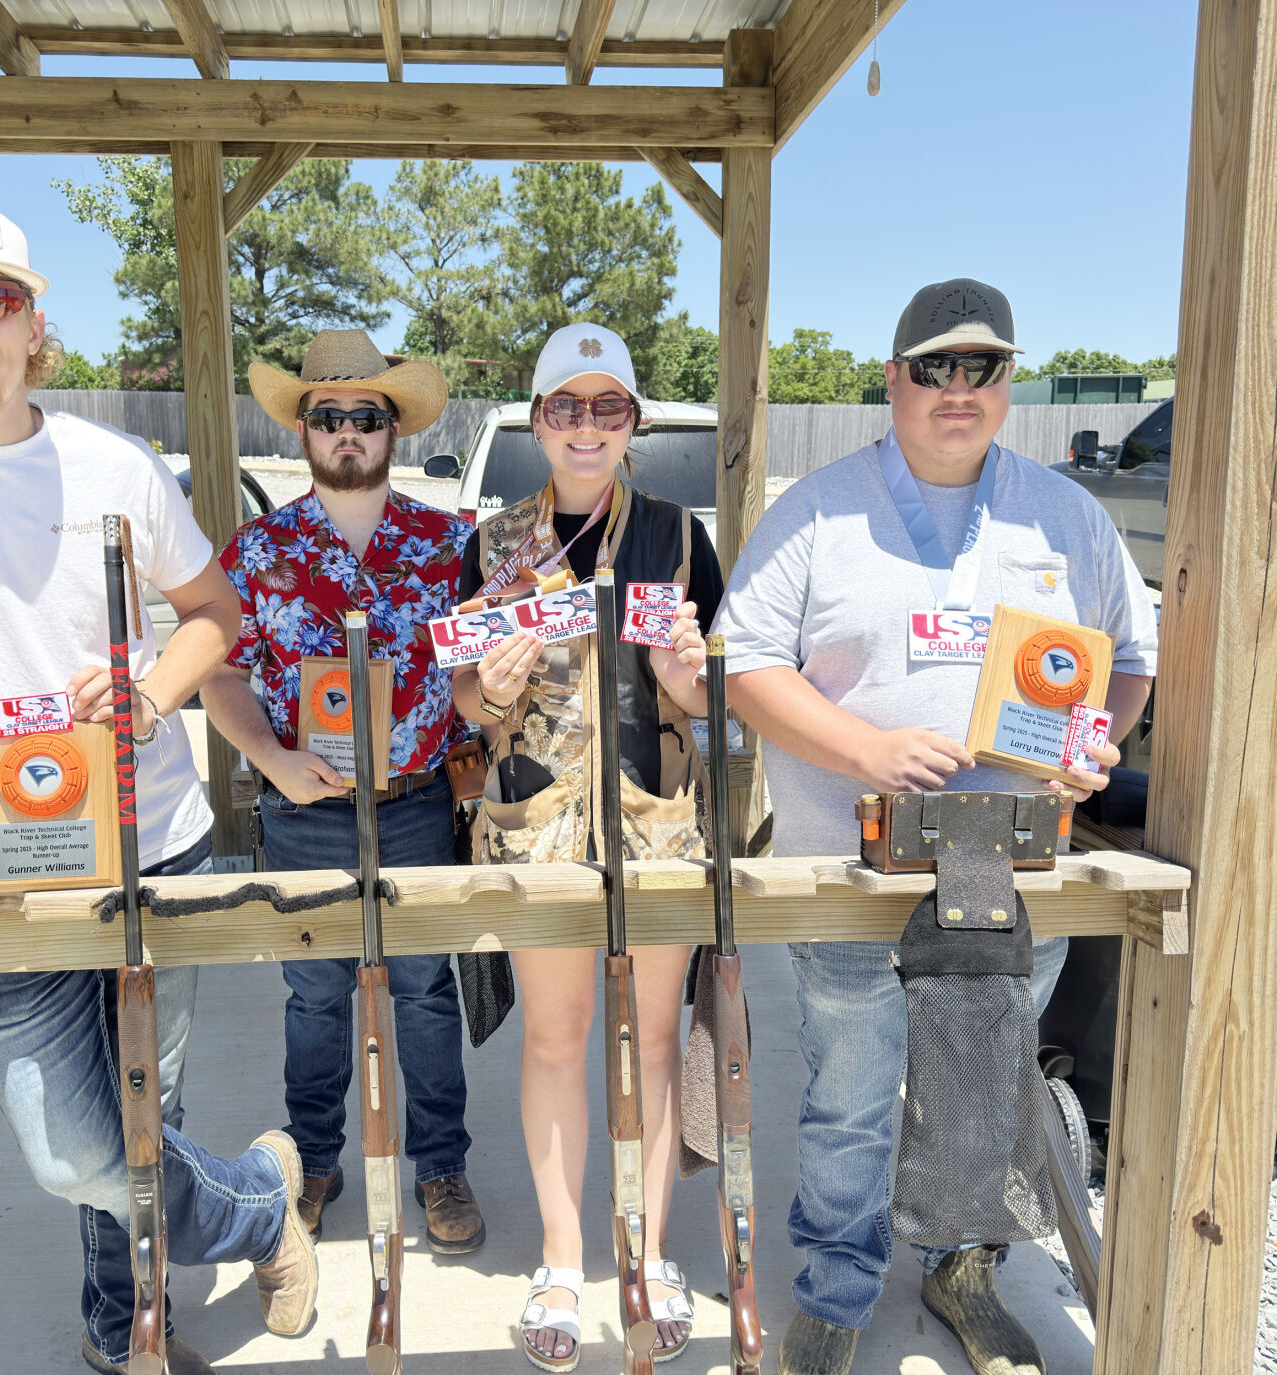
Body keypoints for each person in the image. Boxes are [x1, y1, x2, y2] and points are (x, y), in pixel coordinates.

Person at [0, 195, 316, 1375]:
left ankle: (123, 1318)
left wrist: (154, 693)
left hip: (148, 839)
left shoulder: (112, 464)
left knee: (139, 1111)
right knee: (73, 1148)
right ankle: (264, 1207)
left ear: (32, 325)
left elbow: (212, 613)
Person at [714, 278, 1158, 1375]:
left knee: (985, 1082)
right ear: (892, 379)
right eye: (934, 367)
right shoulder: (815, 511)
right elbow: (745, 667)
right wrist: (859, 750)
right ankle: (833, 1287)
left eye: (983, 368)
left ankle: (966, 1271)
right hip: (850, 869)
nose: (957, 390)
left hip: (1015, 870)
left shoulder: (1065, 514)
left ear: (1008, 382)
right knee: (852, 1095)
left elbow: (1128, 661)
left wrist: (1091, 741)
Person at [451, 323, 724, 1371]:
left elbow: (708, 700)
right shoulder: (491, 542)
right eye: (565, 405)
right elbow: (469, 702)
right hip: (535, 824)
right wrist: (495, 685)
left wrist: (685, 674)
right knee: (557, 1040)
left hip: (653, 820)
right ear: (536, 420)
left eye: (607, 406)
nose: (585, 426)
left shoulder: (677, 536)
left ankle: (647, 1253)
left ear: (632, 424)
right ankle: (563, 1256)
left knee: (651, 1044)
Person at [200, 329, 485, 1255]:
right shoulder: (257, 552)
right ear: (303, 432)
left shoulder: (453, 547)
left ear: (393, 428)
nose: (349, 433)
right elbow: (221, 675)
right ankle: (313, 1161)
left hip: (415, 800)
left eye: (367, 416)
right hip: (305, 808)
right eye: (330, 417)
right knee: (315, 994)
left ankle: (440, 1164)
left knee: (424, 991)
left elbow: (494, 668)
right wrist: (271, 759)